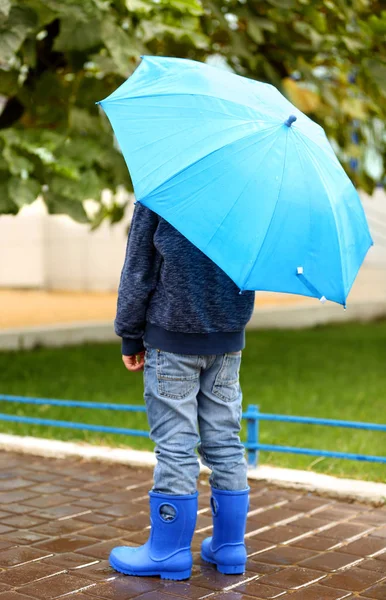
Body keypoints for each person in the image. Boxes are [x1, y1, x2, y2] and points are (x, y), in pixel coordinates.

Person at [109, 201, 255, 580]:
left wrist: (130, 333)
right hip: (227, 341)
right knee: (225, 441)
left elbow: (139, 269)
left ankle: (168, 552)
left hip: (172, 339)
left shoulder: (162, 189)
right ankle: (229, 548)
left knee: (175, 444)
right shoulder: (250, 193)